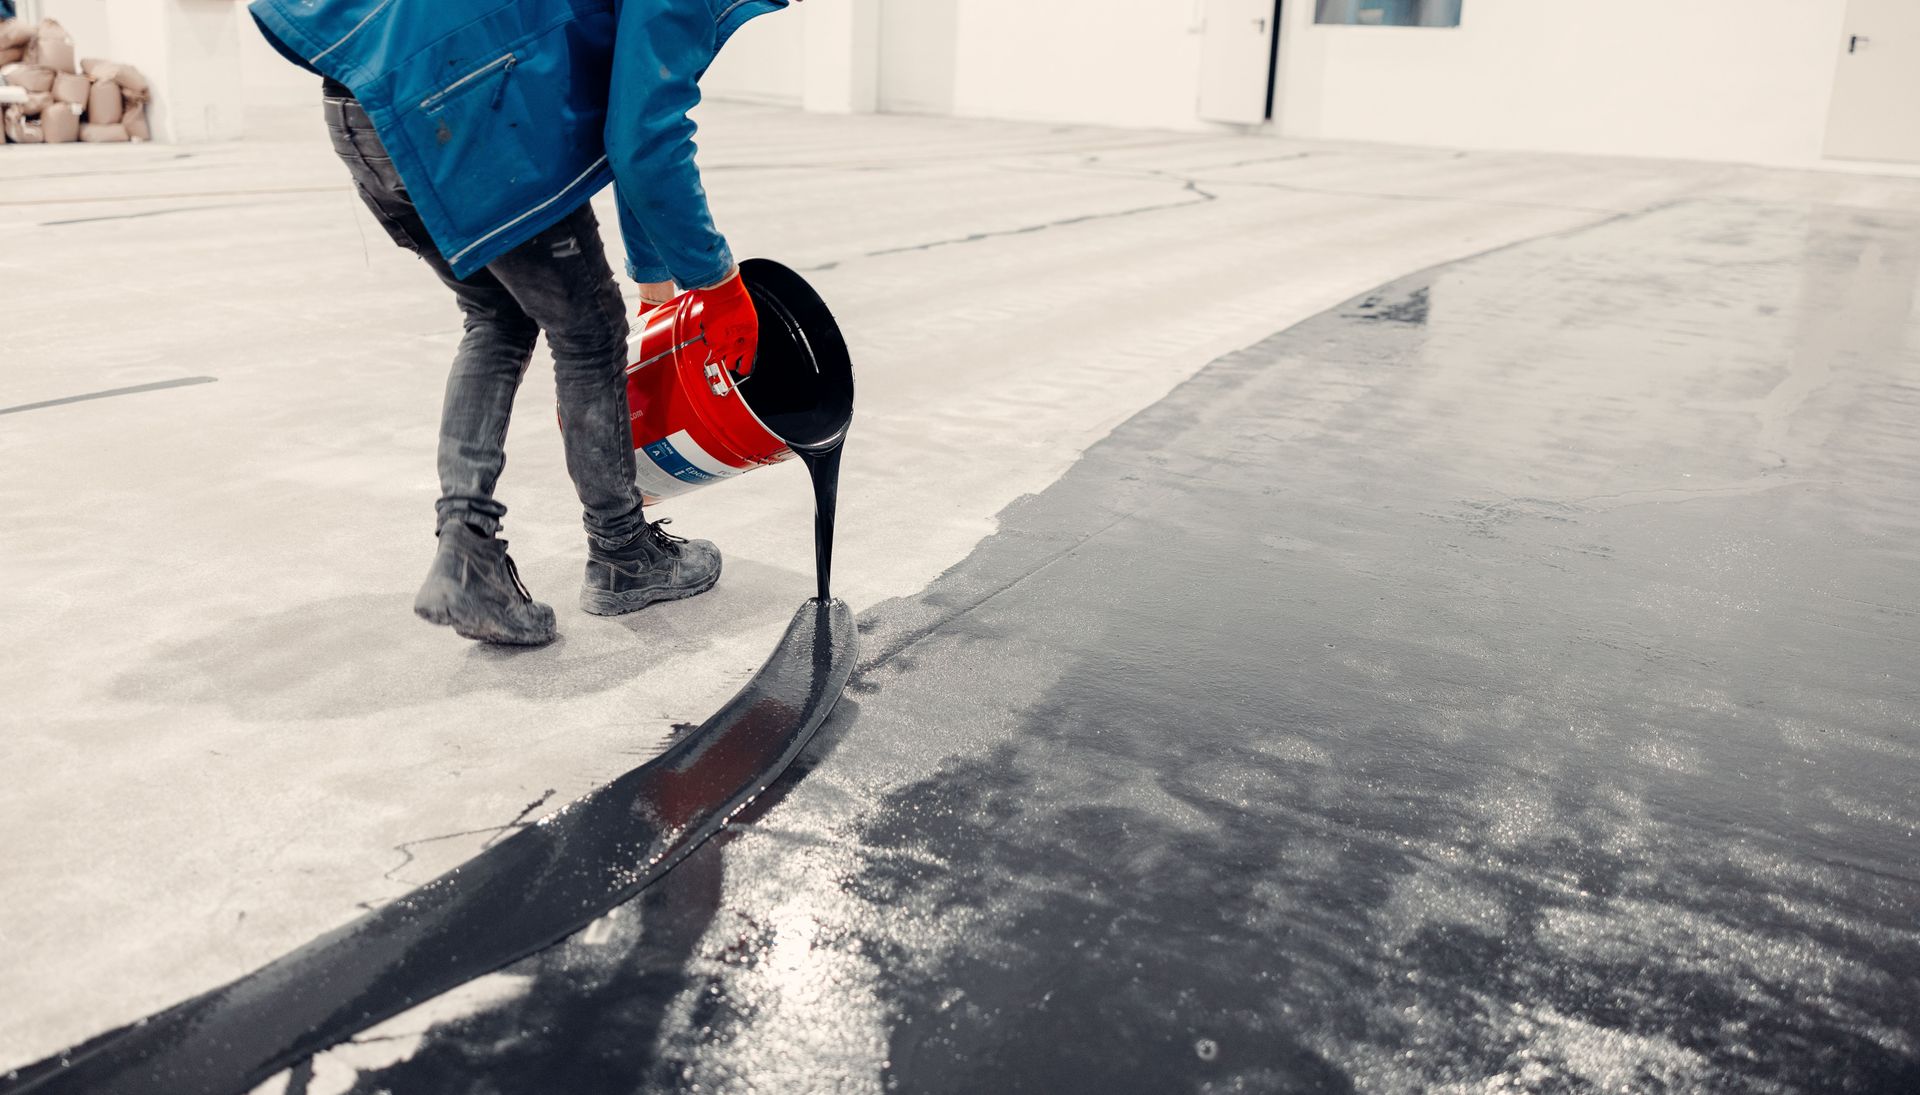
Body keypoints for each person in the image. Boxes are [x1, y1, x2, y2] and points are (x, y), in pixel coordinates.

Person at [248, 0, 793, 645]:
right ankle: (624, 554)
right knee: (588, 335)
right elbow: (644, 137)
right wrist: (715, 283)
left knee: (497, 317)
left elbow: (630, 117)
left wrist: (656, 280)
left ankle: (468, 557)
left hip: (368, 109)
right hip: (472, 108)